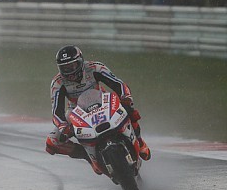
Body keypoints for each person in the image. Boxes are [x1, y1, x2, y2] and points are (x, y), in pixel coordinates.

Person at [45, 45, 151, 173]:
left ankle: (139, 142)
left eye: (72, 66)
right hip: (76, 111)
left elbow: (118, 84)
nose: (69, 71)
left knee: (130, 110)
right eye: (65, 68)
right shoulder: (57, 82)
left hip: (103, 101)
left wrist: (126, 98)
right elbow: (56, 111)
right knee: (52, 143)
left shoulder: (95, 67)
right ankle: (89, 156)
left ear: (80, 62)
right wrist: (64, 127)